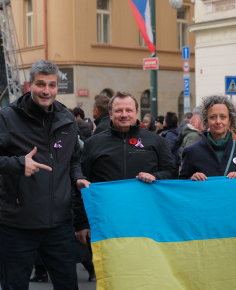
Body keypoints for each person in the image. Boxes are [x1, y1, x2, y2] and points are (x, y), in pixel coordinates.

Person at [0, 60, 89, 289]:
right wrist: (16, 164)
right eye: (40, 84)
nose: (46, 91)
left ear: (57, 87)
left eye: (52, 85)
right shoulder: (7, 117)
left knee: (68, 286)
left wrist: (78, 177)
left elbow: (73, 161)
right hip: (17, 226)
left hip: (60, 225)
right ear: (29, 85)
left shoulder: (66, 119)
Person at [74, 91, 178, 245]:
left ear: (136, 112)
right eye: (118, 111)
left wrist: (156, 177)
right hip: (106, 222)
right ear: (110, 114)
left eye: (129, 110)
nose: (124, 115)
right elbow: (82, 184)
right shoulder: (93, 143)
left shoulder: (156, 141)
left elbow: (172, 173)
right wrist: (81, 223)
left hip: (147, 221)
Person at [179, 95, 236, 180]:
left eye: (223, 117)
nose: (218, 121)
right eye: (213, 117)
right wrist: (191, 179)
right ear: (206, 121)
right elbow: (182, 184)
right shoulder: (191, 151)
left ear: (230, 120)